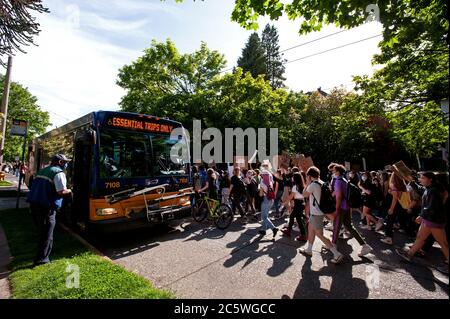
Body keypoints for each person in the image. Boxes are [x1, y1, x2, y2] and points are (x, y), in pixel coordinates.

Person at [26, 154, 72, 266]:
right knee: (47, 233)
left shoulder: (42, 170)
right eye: (65, 162)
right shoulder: (58, 173)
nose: (66, 164)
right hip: (46, 208)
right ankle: (41, 260)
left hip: (34, 204)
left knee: (42, 231)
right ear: (60, 162)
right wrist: (70, 190)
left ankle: (43, 255)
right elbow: (61, 191)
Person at [396, 172, 449, 266]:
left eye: (423, 178)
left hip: (434, 221)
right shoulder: (428, 188)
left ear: (430, 179)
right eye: (420, 178)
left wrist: (422, 215)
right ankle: (409, 254)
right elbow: (420, 189)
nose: (420, 179)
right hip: (429, 220)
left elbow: (432, 207)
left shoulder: (433, 191)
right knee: (420, 238)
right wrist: (411, 181)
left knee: (443, 243)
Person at [300, 166, 344, 264]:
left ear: (310, 176)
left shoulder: (313, 185)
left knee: (320, 235)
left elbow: (304, 194)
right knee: (310, 229)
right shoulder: (322, 182)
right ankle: (309, 249)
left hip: (316, 213)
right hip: (319, 212)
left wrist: (307, 183)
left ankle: (336, 254)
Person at [331, 164, 373, 257]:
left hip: (341, 207)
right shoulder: (344, 179)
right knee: (349, 226)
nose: (332, 172)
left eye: (334, 170)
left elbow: (339, 197)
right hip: (347, 206)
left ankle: (333, 245)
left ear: (338, 172)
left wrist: (336, 209)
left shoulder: (338, 181)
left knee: (337, 226)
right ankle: (364, 245)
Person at [281, 172, 307, 241]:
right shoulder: (303, 186)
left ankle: (303, 235)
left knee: (298, 219)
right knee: (293, 216)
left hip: (298, 204)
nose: (292, 178)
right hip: (301, 204)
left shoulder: (295, 187)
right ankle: (289, 230)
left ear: (295, 178)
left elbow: (290, 197)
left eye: (293, 177)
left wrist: (284, 203)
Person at [258, 160, 278, 238]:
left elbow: (260, 194)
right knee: (266, 215)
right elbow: (272, 186)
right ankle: (263, 230)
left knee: (264, 217)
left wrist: (259, 191)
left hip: (266, 199)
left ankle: (274, 228)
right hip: (271, 198)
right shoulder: (270, 175)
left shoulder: (262, 182)